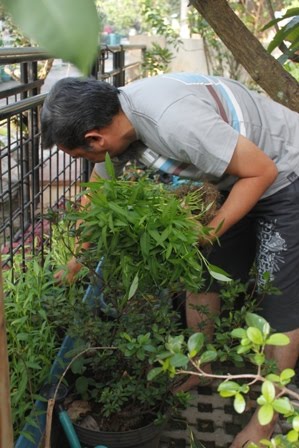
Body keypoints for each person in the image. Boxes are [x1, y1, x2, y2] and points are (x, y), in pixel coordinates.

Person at [41, 73, 299, 448]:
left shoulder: (173, 122)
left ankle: (265, 423)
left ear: (96, 138)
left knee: (280, 301)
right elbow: (98, 190)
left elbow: (262, 171)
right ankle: (200, 365)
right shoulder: (120, 122)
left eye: (82, 156)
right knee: (201, 270)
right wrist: (77, 258)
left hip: (284, 171)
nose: (89, 162)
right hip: (236, 176)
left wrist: (209, 230)